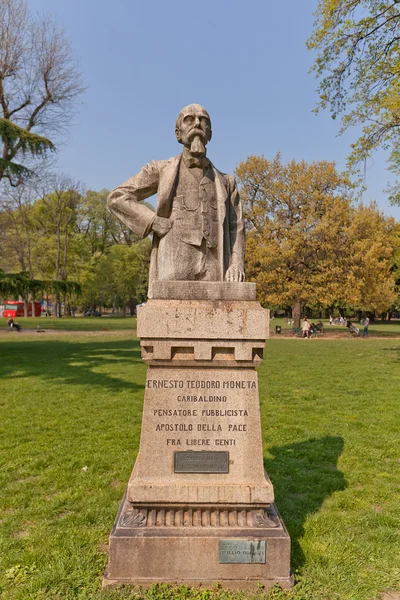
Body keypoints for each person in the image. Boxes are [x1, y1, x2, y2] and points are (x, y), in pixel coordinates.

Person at [107, 104, 245, 296]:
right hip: (174, 262)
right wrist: (152, 221)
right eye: (190, 119)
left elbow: (235, 227)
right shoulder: (161, 169)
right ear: (178, 133)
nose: (197, 123)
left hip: (215, 265)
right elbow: (117, 197)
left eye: (203, 120)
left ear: (210, 134)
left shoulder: (226, 182)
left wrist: (236, 263)